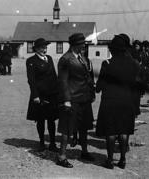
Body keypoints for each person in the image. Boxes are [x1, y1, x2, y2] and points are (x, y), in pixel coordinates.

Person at [95, 35, 139, 169]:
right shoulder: (134, 64)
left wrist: (96, 88)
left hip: (110, 101)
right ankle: (123, 159)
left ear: (113, 50)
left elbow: (99, 86)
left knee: (111, 131)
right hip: (127, 101)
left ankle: (109, 160)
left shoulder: (107, 64)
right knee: (124, 130)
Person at [56, 33, 95, 168]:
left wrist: (91, 93)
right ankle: (61, 156)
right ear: (74, 45)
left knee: (84, 126)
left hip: (84, 98)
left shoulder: (82, 58)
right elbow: (63, 81)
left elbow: (88, 77)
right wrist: (66, 99)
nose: (84, 45)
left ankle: (84, 151)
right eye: (81, 43)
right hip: (72, 99)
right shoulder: (65, 59)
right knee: (67, 128)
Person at [26, 38, 59, 152]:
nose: (44, 50)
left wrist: (58, 92)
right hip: (40, 95)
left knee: (51, 119)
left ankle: (53, 143)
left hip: (51, 94)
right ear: (36, 49)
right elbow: (31, 80)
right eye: (41, 48)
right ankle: (41, 142)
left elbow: (54, 76)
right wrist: (35, 95)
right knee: (40, 120)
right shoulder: (31, 61)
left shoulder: (49, 59)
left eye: (45, 47)